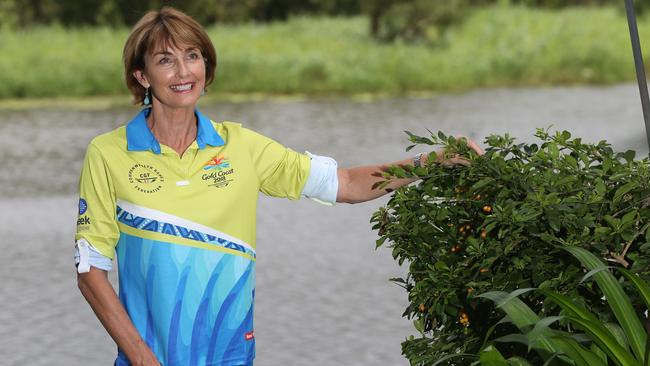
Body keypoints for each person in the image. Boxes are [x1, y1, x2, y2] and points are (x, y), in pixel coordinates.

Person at [74, 6, 483, 366]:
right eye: (166, 60)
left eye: (193, 56)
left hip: (231, 356)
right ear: (142, 75)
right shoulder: (108, 154)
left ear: (206, 67)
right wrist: (142, 358)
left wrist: (432, 161)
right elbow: (90, 270)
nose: (183, 72)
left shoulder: (243, 147)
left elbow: (346, 183)